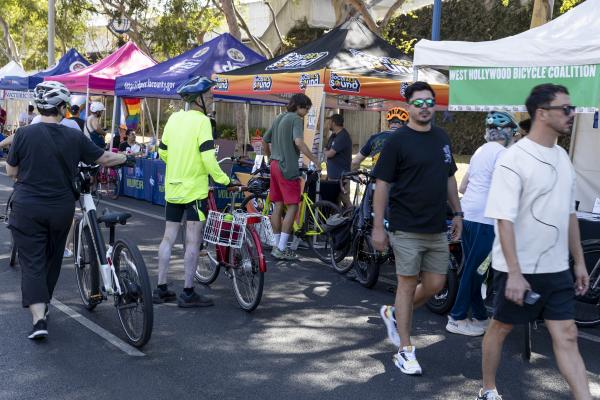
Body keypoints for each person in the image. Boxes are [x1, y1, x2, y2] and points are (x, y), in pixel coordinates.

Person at [476, 84, 591, 400]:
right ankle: (487, 388)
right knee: (501, 328)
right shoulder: (513, 159)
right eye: (565, 109)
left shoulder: (563, 157)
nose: (572, 114)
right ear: (542, 113)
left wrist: (579, 261)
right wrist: (514, 272)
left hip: (556, 268)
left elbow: (569, 213)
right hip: (518, 267)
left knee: (567, 334)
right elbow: (503, 218)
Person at [6, 81, 131, 340]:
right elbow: (104, 158)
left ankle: (39, 319)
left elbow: (11, 172)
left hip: (27, 208)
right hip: (60, 209)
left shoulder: (23, 135)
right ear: (62, 108)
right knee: (51, 258)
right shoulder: (74, 136)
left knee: (32, 263)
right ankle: (45, 303)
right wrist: (126, 158)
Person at [373, 81, 462, 376]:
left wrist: (458, 212)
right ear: (409, 106)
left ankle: (396, 314)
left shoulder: (442, 137)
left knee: (436, 285)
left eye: (429, 102)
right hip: (405, 227)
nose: (424, 108)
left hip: (437, 227)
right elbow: (382, 185)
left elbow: (450, 177)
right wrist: (378, 227)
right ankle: (405, 350)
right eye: (418, 103)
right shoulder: (397, 142)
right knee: (407, 284)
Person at [155, 76, 232, 308]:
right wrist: (223, 179)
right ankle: (188, 292)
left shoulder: (174, 119)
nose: (211, 97)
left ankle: (161, 288)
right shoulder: (203, 122)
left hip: (173, 189)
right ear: (199, 99)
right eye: (209, 94)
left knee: (168, 236)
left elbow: (163, 153)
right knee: (192, 240)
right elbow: (208, 157)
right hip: (195, 192)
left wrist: (180, 162)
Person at [446, 112, 518, 337]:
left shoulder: (480, 150)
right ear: (507, 133)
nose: (515, 139)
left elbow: (463, 187)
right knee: (476, 270)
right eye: (514, 134)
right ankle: (456, 318)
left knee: (475, 267)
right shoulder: (503, 153)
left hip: (469, 214)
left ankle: (479, 315)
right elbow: (504, 187)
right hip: (486, 220)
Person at [262, 93, 321, 260]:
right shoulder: (296, 119)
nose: (306, 112)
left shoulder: (279, 117)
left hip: (274, 164)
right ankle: (281, 248)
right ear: (299, 106)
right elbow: (299, 142)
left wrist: (269, 157)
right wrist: (315, 160)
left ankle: (276, 245)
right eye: (306, 109)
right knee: (293, 206)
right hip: (288, 167)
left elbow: (265, 140)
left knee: (278, 205)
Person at [350, 107, 408, 171]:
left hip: (376, 179)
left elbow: (355, 162)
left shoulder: (375, 138)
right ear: (405, 124)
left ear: (389, 123)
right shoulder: (409, 139)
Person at [324, 114, 352, 208]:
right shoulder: (333, 135)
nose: (328, 124)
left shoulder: (343, 136)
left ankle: (353, 219)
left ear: (334, 123)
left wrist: (325, 152)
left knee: (345, 200)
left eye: (329, 122)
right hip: (333, 175)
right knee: (335, 200)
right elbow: (326, 148)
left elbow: (330, 153)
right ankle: (338, 220)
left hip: (342, 176)